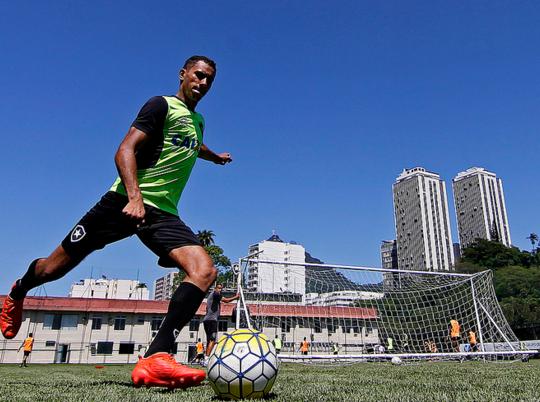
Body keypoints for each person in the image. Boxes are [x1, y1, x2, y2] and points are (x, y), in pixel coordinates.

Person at [0, 55, 231, 389]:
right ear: (183, 74)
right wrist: (134, 196)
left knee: (204, 270)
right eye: (198, 76)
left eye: (210, 79)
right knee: (53, 269)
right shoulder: (160, 105)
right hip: (122, 202)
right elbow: (124, 149)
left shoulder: (198, 122)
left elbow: (193, 146)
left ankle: (156, 357)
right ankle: (18, 291)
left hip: (162, 212)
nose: (204, 83)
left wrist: (214, 156)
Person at [203, 283, 239, 361]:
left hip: (206, 320)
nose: (220, 290)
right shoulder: (215, 294)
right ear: (215, 288)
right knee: (213, 340)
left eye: (221, 289)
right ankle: (207, 358)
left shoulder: (211, 297)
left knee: (209, 340)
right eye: (219, 288)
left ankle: (206, 358)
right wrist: (236, 297)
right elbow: (226, 300)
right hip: (212, 320)